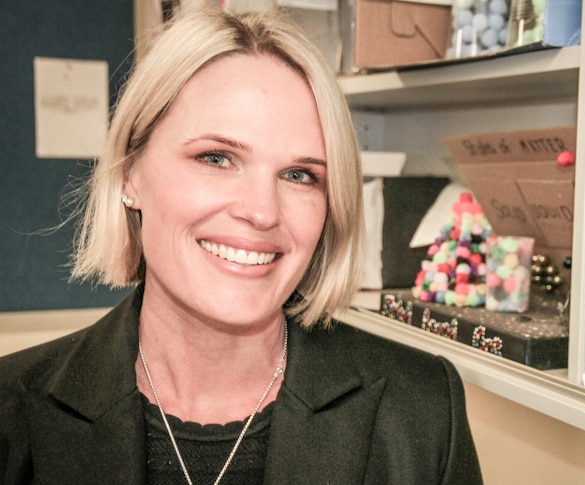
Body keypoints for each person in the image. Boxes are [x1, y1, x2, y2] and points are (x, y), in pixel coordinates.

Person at [0, 7, 482, 484]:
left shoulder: (422, 410)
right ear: (131, 173)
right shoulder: (11, 407)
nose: (262, 211)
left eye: (299, 175)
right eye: (216, 157)